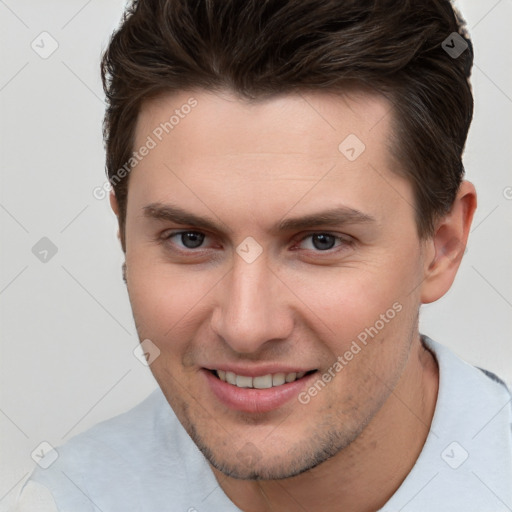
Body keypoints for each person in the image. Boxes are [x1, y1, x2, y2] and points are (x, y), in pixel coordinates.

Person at [14, 0, 512, 510]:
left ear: (443, 246)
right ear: (123, 234)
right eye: (190, 238)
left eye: (322, 241)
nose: (246, 327)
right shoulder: (63, 498)